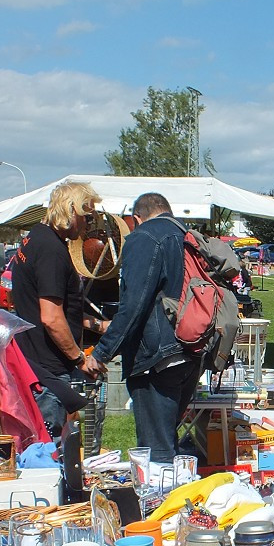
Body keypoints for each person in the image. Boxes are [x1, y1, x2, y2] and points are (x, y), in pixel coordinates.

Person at [84, 192, 203, 463]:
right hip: (191, 351)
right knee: (166, 441)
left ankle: (161, 504)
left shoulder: (144, 237)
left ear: (137, 218)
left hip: (157, 356)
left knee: (156, 453)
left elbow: (134, 304)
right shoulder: (188, 235)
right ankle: (177, 500)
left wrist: (101, 353)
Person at [13, 181, 99, 436]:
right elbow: (50, 317)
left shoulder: (36, 237)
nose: (88, 225)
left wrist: (97, 324)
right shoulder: (51, 249)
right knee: (49, 450)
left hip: (35, 359)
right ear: (72, 211)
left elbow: (52, 305)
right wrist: (78, 358)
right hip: (47, 369)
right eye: (87, 217)